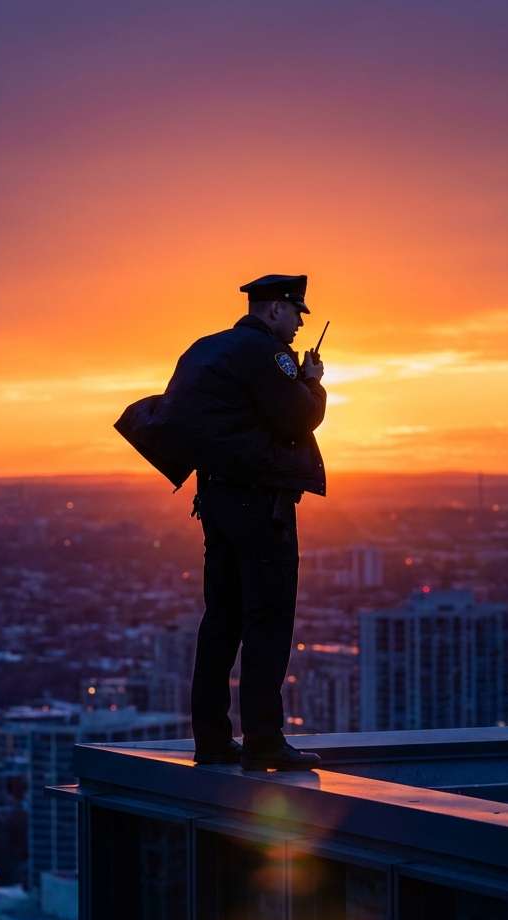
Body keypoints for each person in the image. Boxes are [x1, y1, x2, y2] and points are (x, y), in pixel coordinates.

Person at [170, 274, 328, 770]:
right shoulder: (269, 354)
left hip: (215, 500)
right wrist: (310, 382)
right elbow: (298, 419)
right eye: (295, 314)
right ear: (275, 309)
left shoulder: (206, 348)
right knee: (268, 618)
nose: (299, 327)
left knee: (221, 620)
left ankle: (212, 738)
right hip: (261, 505)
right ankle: (264, 738)